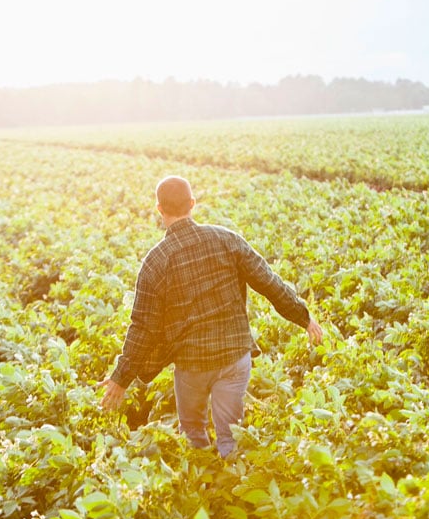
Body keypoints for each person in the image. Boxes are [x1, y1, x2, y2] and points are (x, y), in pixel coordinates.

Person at [98, 175, 324, 458]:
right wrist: (304, 318)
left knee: (193, 433)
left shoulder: (156, 261)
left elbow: (143, 327)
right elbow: (269, 283)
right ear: (192, 203)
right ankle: (232, 482)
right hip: (234, 357)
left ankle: (205, 486)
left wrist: (121, 378)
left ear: (159, 209)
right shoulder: (227, 239)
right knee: (231, 437)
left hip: (192, 365)